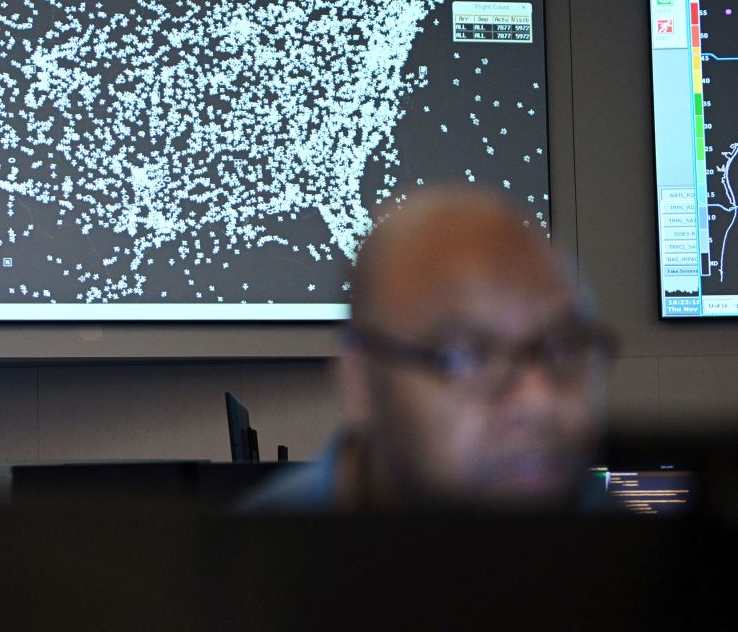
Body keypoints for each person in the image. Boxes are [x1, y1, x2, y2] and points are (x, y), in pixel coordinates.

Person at [241, 187, 617, 512]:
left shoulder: (646, 568)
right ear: (360, 383)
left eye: (565, 348)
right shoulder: (239, 577)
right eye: (466, 358)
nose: (539, 401)